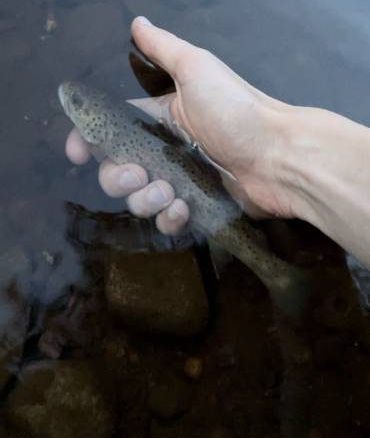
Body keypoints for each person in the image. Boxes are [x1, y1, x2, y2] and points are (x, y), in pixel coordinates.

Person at [65, 15, 370, 270]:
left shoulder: (109, 131)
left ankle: (278, 275)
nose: (70, 100)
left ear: (96, 123)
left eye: (77, 103)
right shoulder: (111, 127)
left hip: (222, 205)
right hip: (223, 207)